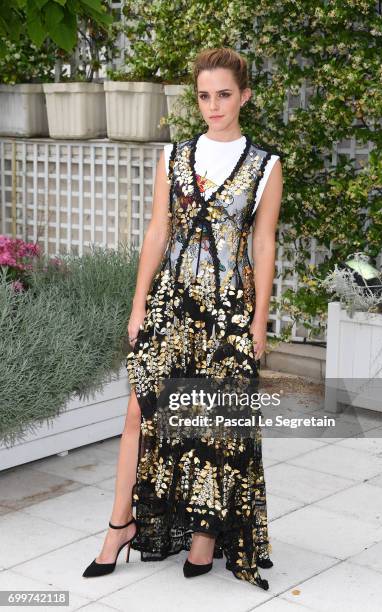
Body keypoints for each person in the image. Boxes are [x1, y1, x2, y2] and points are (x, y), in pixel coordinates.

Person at [82, 46, 283, 590]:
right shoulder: (173, 155)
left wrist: (260, 319)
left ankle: (205, 538)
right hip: (171, 305)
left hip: (226, 313)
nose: (212, 105)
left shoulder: (265, 166)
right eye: (203, 96)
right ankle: (119, 525)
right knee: (138, 415)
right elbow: (157, 231)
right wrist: (138, 299)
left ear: (244, 96)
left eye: (223, 95)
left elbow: (263, 245)